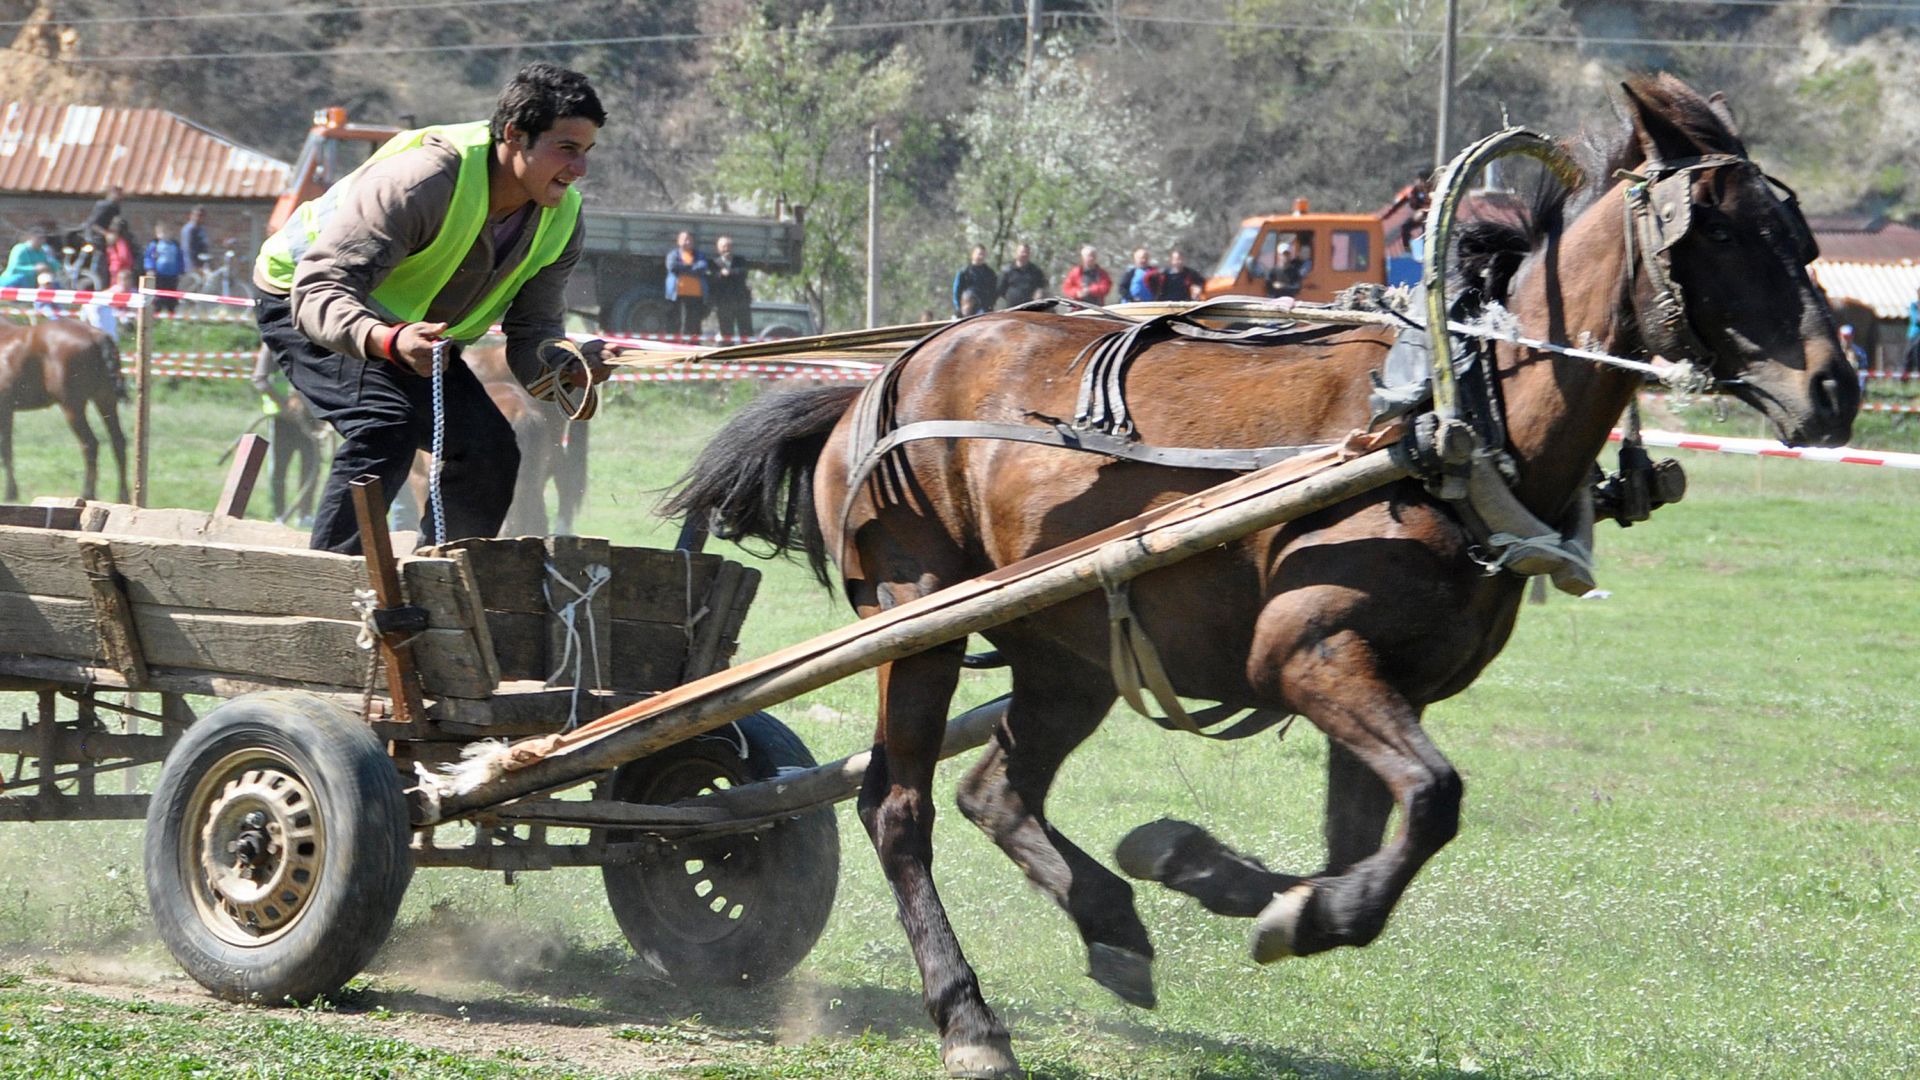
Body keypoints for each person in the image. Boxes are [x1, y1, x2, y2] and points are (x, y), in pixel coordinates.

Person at [252, 62, 616, 553]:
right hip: (308, 300)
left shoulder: (563, 218)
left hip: (411, 338)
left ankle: (442, 583)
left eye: (587, 152)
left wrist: (564, 369)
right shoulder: (423, 181)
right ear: (514, 134)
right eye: (567, 149)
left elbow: (533, 334)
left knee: (490, 452)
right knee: (385, 427)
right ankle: (333, 592)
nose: (580, 169)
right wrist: (389, 340)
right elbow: (321, 289)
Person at [664, 230, 709, 340]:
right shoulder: (673, 254)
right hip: (678, 295)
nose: (687, 242)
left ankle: (692, 346)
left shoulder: (699, 255)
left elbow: (702, 267)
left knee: (693, 324)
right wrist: (692, 267)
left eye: (689, 239)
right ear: (678, 241)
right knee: (678, 322)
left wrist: (684, 268)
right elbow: (672, 266)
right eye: (684, 239)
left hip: (696, 296)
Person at [709, 235, 753, 341]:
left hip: (741, 302)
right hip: (724, 303)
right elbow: (712, 278)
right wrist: (721, 274)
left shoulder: (740, 261)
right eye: (724, 247)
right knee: (726, 332)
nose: (726, 249)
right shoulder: (714, 263)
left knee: (746, 331)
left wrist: (729, 273)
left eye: (729, 246)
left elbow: (743, 273)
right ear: (718, 249)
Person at [143, 222, 186, 314]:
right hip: (159, 274)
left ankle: (171, 311)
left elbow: (180, 258)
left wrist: (181, 270)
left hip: (172, 275)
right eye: (161, 233)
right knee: (159, 294)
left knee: (172, 294)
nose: (164, 235)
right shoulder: (155, 245)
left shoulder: (175, 245)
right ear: (157, 234)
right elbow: (148, 257)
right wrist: (150, 268)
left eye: (167, 232)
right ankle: (157, 312)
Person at [951, 244, 998, 317]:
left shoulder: (990, 273)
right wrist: (958, 308)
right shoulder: (964, 272)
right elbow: (956, 291)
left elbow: (994, 291)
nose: (981, 257)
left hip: (983, 309)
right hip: (965, 309)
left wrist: (990, 305)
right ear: (972, 254)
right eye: (979, 254)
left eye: (983, 255)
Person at [180, 206, 211, 281]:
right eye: (197, 215)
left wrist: (207, 264)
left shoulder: (201, 229)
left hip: (202, 264)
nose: (199, 218)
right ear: (191, 215)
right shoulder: (189, 230)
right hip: (191, 266)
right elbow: (187, 249)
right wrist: (195, 267)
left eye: (201, 216)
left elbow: (204, 247)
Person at [1905, 286, 1920, 378]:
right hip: (1914, 334)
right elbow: (1916, 319)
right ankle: (1905, 378)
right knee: (1909, 355)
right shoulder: (1914, 305)